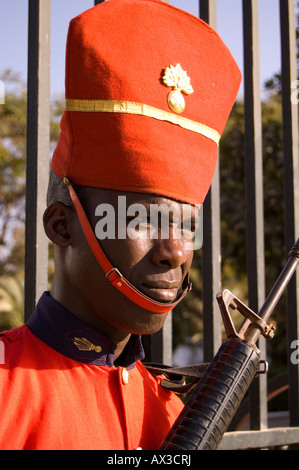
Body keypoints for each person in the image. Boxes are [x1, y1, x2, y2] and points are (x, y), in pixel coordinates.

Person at [0, 0, 241, 450]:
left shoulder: (173, 414)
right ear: (61, 226)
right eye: (142, 217)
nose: (176, 250)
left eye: (187, 226)